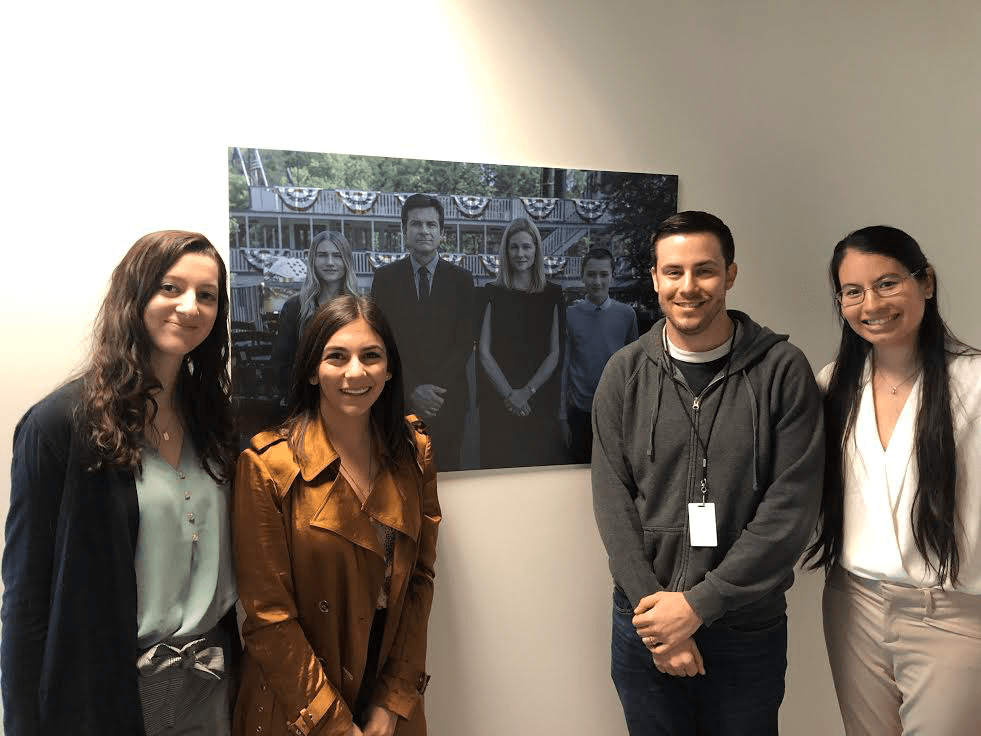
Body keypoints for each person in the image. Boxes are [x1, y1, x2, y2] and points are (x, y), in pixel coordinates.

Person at [591, 211, 823, 735]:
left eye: (705, 270)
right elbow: (612, 501)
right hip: (644, 622)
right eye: (673, 272)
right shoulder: (624, 372)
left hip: (745, 627)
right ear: (655, 278)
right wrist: (661, 623)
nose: (688, 286)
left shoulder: (783, 371)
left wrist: (698, 606)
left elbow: (791, 508)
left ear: (730, 274)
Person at [2, 231, 239, 735]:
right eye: (170, 288)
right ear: (134, 295)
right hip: (108, 692)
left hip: (212, 686)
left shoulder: (215, 422)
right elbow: (25, 601)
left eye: (207, 295)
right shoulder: (58, 426)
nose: (190, 307)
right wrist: (21, 723)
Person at [232, 295, 440, 736]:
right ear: (312, 370)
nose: (355, 372)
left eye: (371, 356)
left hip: (387, 697)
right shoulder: (268, 466)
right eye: (336, 357)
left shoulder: (414, 452)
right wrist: (334, 724)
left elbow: (419, 582)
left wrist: (393, 700)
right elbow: (268, 615)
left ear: (389, 368)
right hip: (300, 703)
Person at [805, 226, 981, 736]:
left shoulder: (973, 381)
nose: (872, 304)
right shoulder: (832, 384)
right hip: (852, 606)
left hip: (952, 613)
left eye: (887, 283)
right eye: (853, 291)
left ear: (925, 282)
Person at [371, 194, 475, 471]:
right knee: (401, 476)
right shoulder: (385, 279)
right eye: (416, 224)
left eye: (431, 224)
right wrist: (414, 389)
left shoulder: (462, 281)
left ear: (441, 232)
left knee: (447, 477)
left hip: (447, 399)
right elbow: (382, 339)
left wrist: (433, 392)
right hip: (401, 398)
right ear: (405, 230)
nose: (424, 230)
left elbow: (465, 341)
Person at [478, 217, 566, 469]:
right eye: (514, 247)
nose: (520, 254)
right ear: (506, 251)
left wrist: (526, 393)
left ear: (536, 250)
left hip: (539, 401)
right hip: (498, 402)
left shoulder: (553, 293)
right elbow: (484, 352)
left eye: (526, 247)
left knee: (538, 474)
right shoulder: (490, 292)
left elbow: (555, 353)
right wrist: (510, 395)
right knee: (498, 473)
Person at [560, 247, 639, 464]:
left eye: (603, 274)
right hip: (579, 410)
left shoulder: (626, 315)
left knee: (613, 470)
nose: (597, 281)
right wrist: (562, 416)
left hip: (615, 410)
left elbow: (635, 369)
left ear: (612, 276)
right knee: (578, 470)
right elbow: (565, 366)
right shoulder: (570, 316)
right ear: (582, 276)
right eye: (591, 274)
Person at [272, 230, 359, 399]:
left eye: (337, 256)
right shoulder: (294, 308)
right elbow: (281, 364)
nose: (330, 262)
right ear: (313, 260)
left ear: (346, 261)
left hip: (349, 396)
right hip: (307, 399)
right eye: (322, 255)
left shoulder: (358, 308)